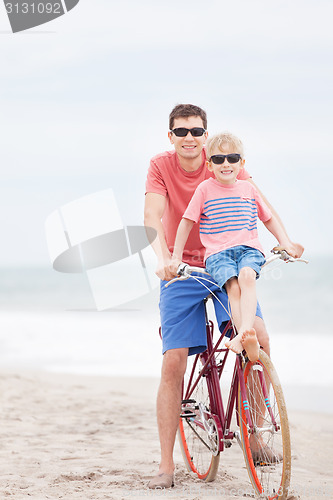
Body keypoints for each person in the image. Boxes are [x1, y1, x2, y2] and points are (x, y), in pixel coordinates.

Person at [144, 104, 303, 489]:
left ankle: (256, 433)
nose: (190, 138)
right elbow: (153, 218)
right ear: (171, 136)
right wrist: (166, 260)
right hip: (183, 271)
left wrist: (285, 241)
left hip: (226, 264)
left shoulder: (222, 159)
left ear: (205, 134)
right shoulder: (161, 166)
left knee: (258, 337)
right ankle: (167, 464)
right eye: (181, 132)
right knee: (174, 363)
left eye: (196, 131)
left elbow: (260, 205)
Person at [171, 132, 296, 363]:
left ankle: (243, 334)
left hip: (249, 249)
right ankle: (244, 334)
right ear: (209, 165)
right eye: (218, 159)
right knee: (233, 286)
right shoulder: (205, 190)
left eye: (232, 158)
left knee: (247, 276)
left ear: (242, 163)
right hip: (218, 253)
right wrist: (176, 257)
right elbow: (187, 221)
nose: (226, 164)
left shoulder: (249, 190)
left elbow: (268, 218)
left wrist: (285, 243)